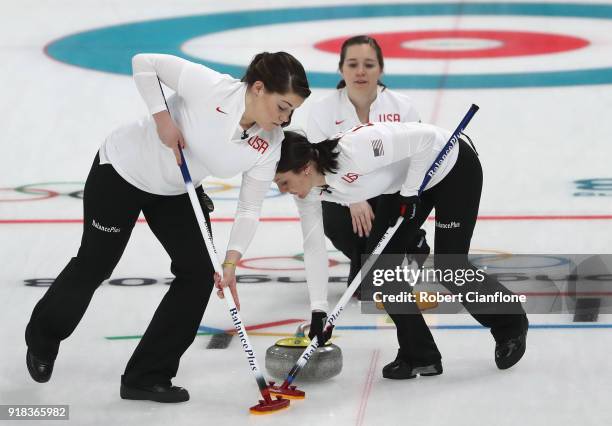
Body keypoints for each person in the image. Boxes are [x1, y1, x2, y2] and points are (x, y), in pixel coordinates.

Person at [25, 52, 310, 402]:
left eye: (291, 111)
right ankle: (43, 337)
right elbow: (144, 62)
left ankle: (146, 375)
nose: (285, 119)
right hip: (123, 172)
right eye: (282, 107)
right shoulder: (212, 89)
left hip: (178, 190)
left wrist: (232, 261)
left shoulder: (269, 143)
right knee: (95, 263)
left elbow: (250, 205)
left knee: (199, 274)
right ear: (258, 88)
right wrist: (163, 119)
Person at [273, 124, 529, 379]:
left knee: (450, 267)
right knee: (378, 271)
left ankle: (511, 325)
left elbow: (425, 140)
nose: (283, 190)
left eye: (284, 182)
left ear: (305, 167)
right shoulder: (307, 192)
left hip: (451, 167)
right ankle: (419, 355)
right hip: (405, 184)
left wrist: (409, 192)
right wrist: (319, 310)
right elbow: (313, 245)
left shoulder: (354, 150)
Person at [306, 35, 430, 340]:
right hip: (344, 196)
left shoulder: (403, 106)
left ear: (381, 70)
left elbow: (417, 157)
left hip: (393, 192)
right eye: (353, 64)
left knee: (381, 227)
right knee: (337, 218)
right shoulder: (323, 110)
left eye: (368, 65)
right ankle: (371, 260)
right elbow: (319, 169)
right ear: (341, 69)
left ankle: (404, 245)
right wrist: (354, 198)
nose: (360, 71)